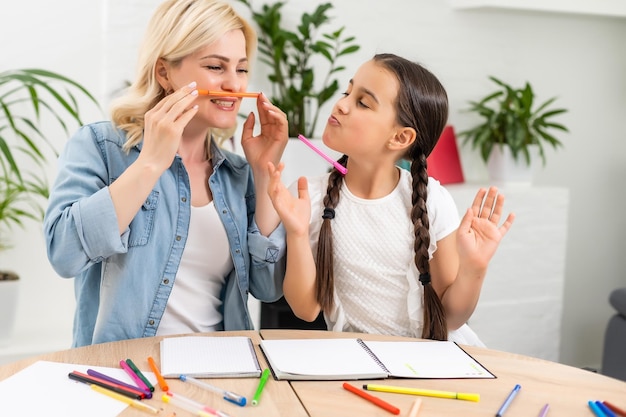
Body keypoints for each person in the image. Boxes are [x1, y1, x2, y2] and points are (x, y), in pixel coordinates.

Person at [43, 0, 289, 347]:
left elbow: (268, 287)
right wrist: (150, 163)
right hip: (124, 374)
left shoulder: (239, 175)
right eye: (216, 67)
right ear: (165, 73)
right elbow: (64, 254)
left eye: (242, 69)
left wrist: (264, 173)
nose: (234, 85)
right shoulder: (101, 147)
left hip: (223, 369)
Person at [267, 53, 515, 345]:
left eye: (362, 102)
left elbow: (450, 318)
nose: (341, 104)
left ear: (400, 138)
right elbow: (306, 309)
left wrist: (474, 268)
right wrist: (296, 233)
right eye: (347, 92)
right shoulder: (314, 196)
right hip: (362, 362)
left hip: (437, 363)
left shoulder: (432, 200)